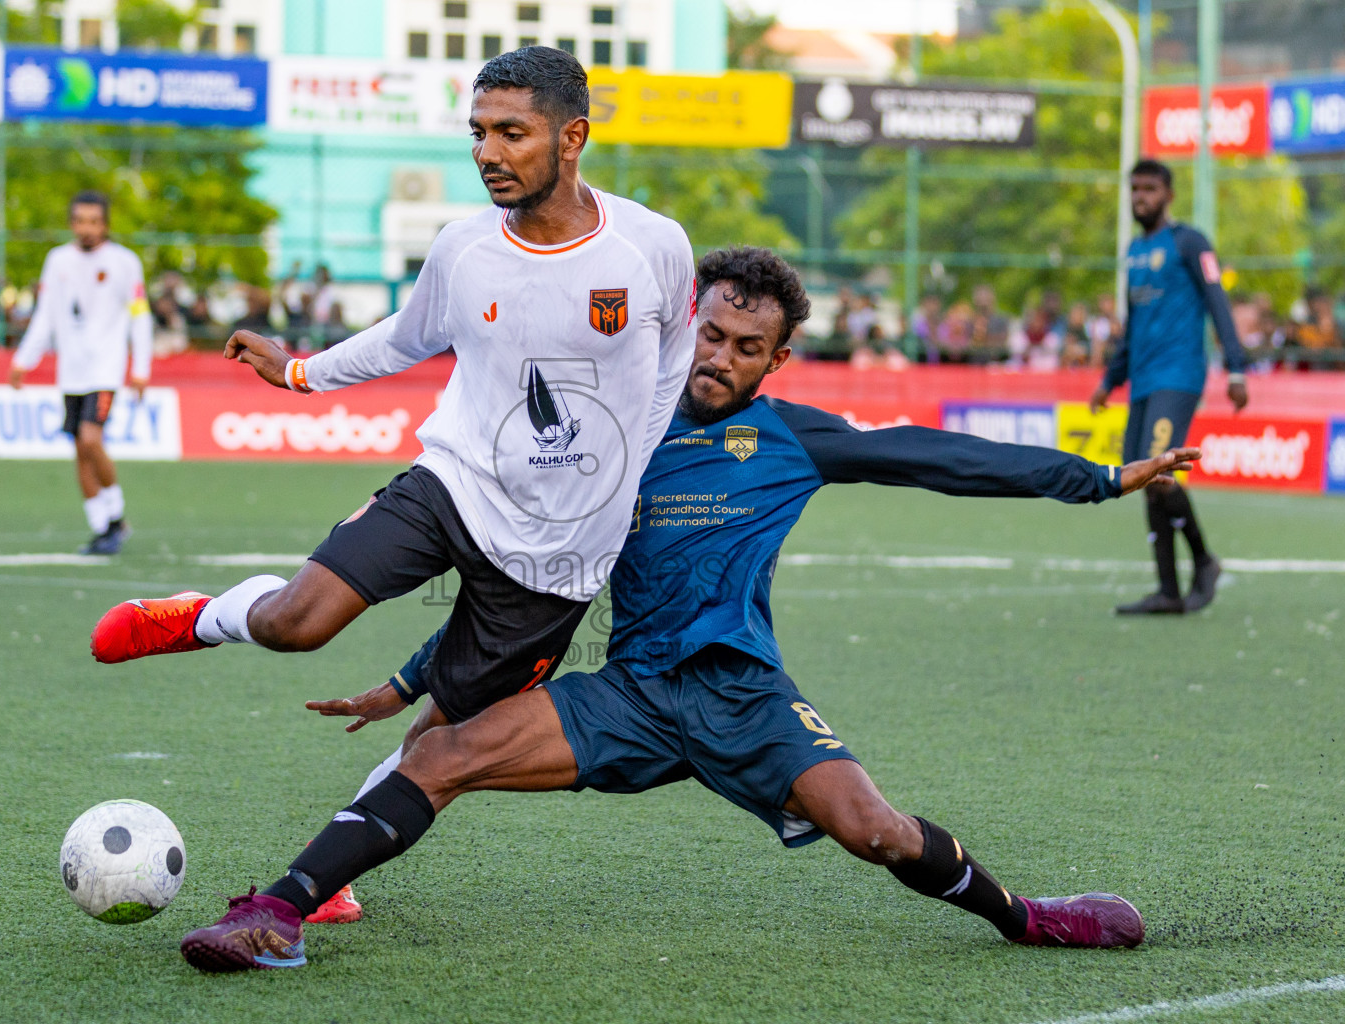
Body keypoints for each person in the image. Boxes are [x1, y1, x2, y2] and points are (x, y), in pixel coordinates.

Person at [175, 248, 1190, 971]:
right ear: (687, 320)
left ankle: (1026, 918)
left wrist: (1097, 478)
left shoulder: (796, 437)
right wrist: (411, 679)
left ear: (778, 357)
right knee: (440, 757)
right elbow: (531, 574)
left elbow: (942, 457)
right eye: (711, 333)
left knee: (875, 830)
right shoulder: (619, 423)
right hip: (633, 693)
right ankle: (281, 909)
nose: (720, 357)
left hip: (746, 696)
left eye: (748, 345)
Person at [90, 45, 697, 929]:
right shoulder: (462, 249)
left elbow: (675, 360)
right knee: (298, 621)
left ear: (574, 137)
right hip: (455, 483)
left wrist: (633, 474)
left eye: (512, 133)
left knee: (437, 744)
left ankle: (327, 873)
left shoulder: (653, 247)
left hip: (561, 562)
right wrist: (298, 374)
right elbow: (403, 339)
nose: (489, 152)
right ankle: (199, 617)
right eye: (478, 132)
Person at [1090, 159, 1247, 615]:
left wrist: (1236, 368)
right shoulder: (1135, 253)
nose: (1141, 197)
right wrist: (1109, 380)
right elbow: (1132, 328)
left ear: (1168, 194)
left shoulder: (1190, 242)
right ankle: (1168, 591)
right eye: (1135, 189)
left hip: (1178, 377)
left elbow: (1218, 301)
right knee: (1141, 475)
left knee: (1159, 474)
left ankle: (1203, 560)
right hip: (1142, 380)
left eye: (1150, 189)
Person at [9, 190, 153, 555]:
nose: (86, 228)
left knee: (91, 439)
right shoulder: (57, 261)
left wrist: (141, 366)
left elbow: (139, 315)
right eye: (80, 221)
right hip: (70, 370)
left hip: (105, 369)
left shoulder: (124, 262)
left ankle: (117, 514)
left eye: (94, 221)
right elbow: (45, 315)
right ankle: (102, 526)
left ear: (105, 224)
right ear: (72, 223)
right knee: (80, 449)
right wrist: (25, 359)